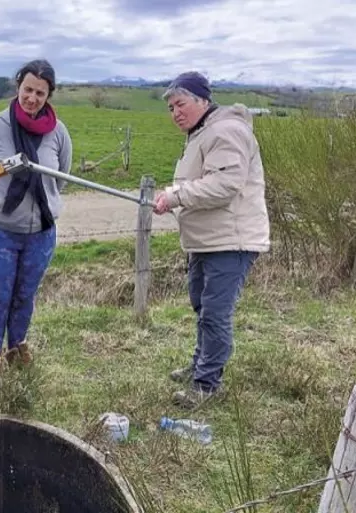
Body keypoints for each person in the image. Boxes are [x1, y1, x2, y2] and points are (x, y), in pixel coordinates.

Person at [153, 71, 270, 409]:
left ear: (202, 100)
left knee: (215, 313)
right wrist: (175, 199)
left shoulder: (226, 131)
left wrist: (175, 196)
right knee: (202, 307)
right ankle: (199, 365)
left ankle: (206, 385)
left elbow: (225, 185)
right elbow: (201, 185)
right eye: (171, 107)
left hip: (231, 241)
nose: (175, 112)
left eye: (180, 103)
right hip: (207, 241)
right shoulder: (202, 133)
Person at [0, 59, 72, 389]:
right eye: (28, 89)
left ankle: (17, 345)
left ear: (49, 95)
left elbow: (60, 178)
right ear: (18, 87)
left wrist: (40, 207)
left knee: (25, 294)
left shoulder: (58, 133)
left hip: (41, 232)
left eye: (40, 92)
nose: (32, 98)